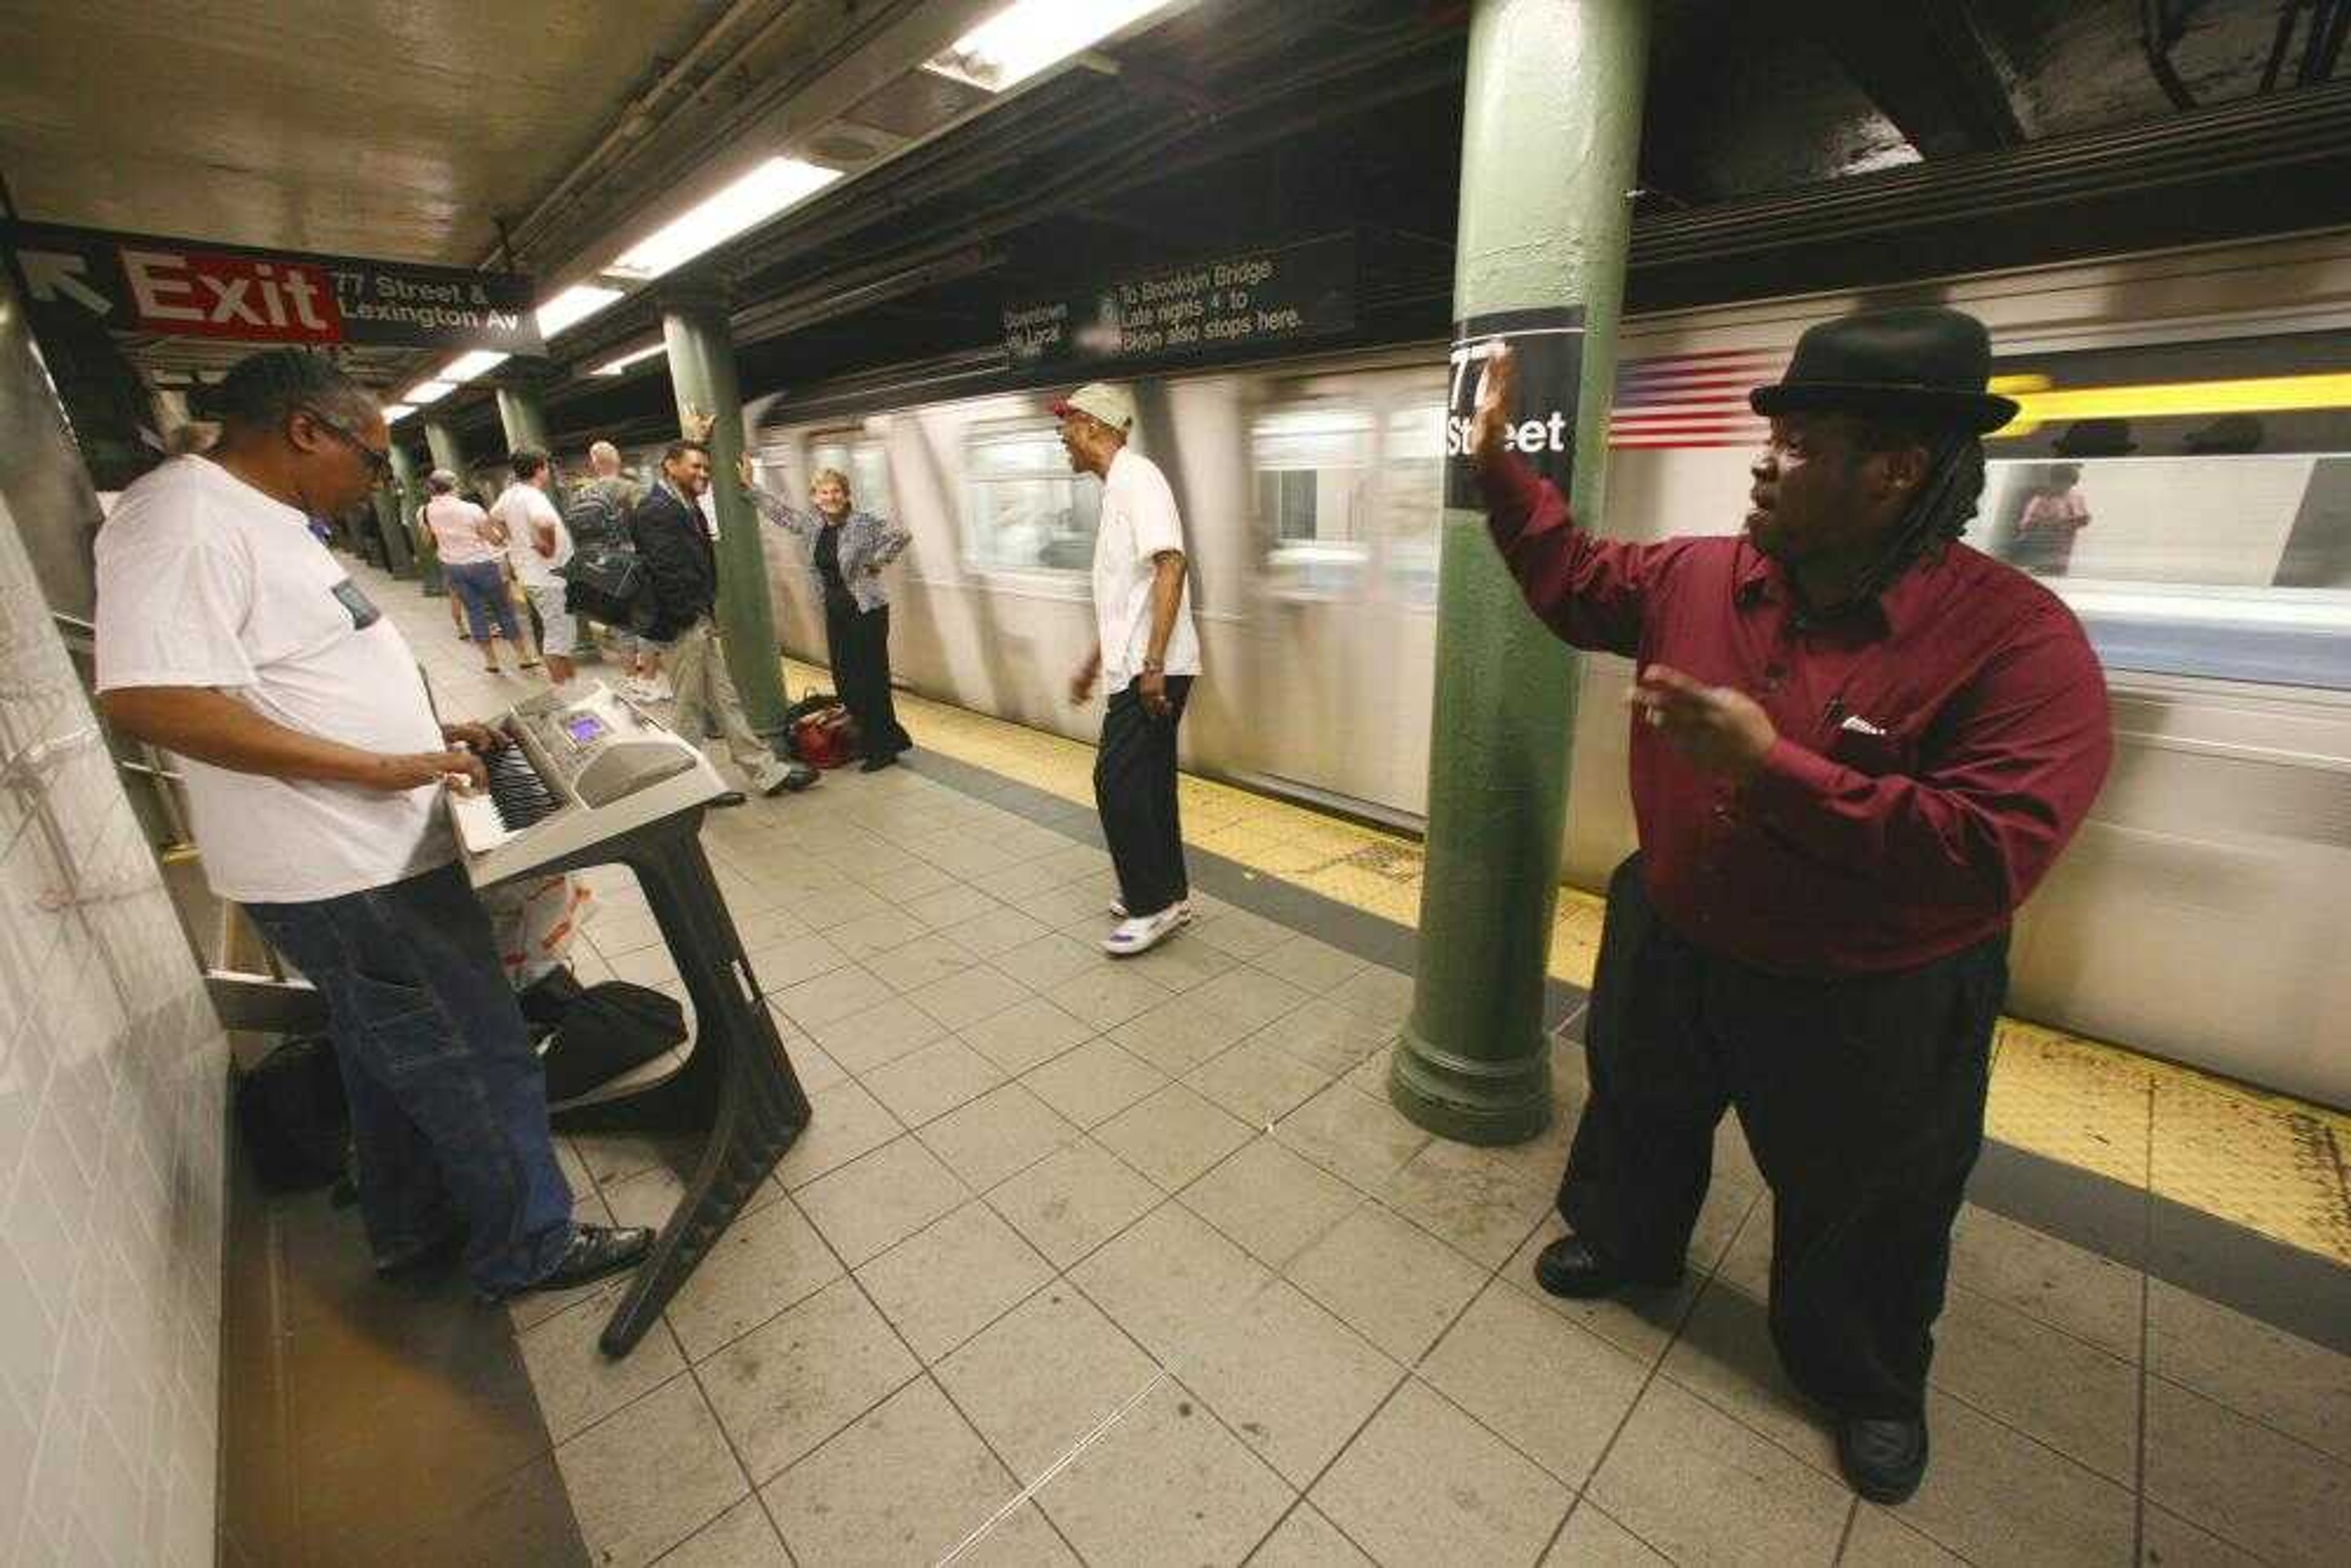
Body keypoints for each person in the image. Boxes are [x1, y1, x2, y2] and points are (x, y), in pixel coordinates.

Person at [1469, 307, 2113, 1504]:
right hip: (1674, 936)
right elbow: (1572, 578)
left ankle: (1864, 1378)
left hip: (1871, 994)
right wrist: (1496, 462)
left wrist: (1770, 766)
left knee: (1870, 1201)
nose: (1767, 458)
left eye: (1804, 440)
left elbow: (1985, 854)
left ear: (1898, 468)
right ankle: (1626, 1239)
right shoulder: (1703, 575)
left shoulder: (2021, 648)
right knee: (1638, 1112)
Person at [91, 348, 649, 1300]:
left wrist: (423, 734)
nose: (375, 480)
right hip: (346, 866)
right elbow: (150, 699)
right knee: (475, 1051)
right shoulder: (184, 521)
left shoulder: (262, 517)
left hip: (365, 850)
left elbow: (297, 672)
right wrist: (379, 766)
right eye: (368, 454)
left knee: (391, 1054)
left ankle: (408, 1222)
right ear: (305, 429)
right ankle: (530, 1248)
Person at [1057, 382, 1202, 956]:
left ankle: (1152, 906)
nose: (1061, 437)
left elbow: (1171, 564)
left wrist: (1152, 665)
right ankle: (1170, 892)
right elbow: (1129, 595)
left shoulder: (1136, 477)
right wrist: (1093, 664)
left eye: (1066, 425)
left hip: (1153, 667)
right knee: (1148, 778)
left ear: (1094, 426)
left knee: (1114, 781)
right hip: (1142, 663)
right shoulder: (1120, 486)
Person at [630, 438, 808, 798]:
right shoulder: (656, 510)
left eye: (706, 468)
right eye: (695, 466)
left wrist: (705, 615)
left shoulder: (684, 504)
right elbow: (666, 572)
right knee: (688, 709)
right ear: (670, 466)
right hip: (680, 624)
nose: (703, 474)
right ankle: (686, 789)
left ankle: (765, 771)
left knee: (725, 701)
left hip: (694, 621)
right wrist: (690, 615)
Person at [742, 455, 914, 771]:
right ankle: (889, 738)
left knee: (870, 681)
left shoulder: (863, 522)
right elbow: (783, 515)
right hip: (836, 611)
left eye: (836, 491)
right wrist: (751, 488)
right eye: (824, 492)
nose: (830, 497)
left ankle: (881, 748)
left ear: (846, 495)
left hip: (867, 611)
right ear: (815, 498)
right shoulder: (813, 525)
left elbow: (901, 535)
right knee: (846, 680)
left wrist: (876, 561)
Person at [577, 440, 670, 702]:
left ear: (594, 464)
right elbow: (650, 526)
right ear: (617, 462)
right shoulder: (632, 489)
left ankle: (631, 681)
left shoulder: (584, 495)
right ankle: (649, 683)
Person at [424, 468, 533, 675]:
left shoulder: (430, 510)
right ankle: (523, 657)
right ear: (454, 486)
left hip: (453, 567)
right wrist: (505, 538)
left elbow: (432, 538)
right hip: (481, 565)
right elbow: (491, 538)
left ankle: (492, 662)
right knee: (503, 609)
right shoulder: (470, 509)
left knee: (474, 612)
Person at [490, 449, 577, 684]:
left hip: (532, 575)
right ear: (540, 468)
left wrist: (514, 540)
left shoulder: (510, 495)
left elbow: (494, 516)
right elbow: (545, 521)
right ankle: (563, 691)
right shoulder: (533, 496)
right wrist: (547, 547)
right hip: (548, 577)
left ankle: (570, 680)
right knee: (557, 637)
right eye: (547, 467)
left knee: (560, 631)